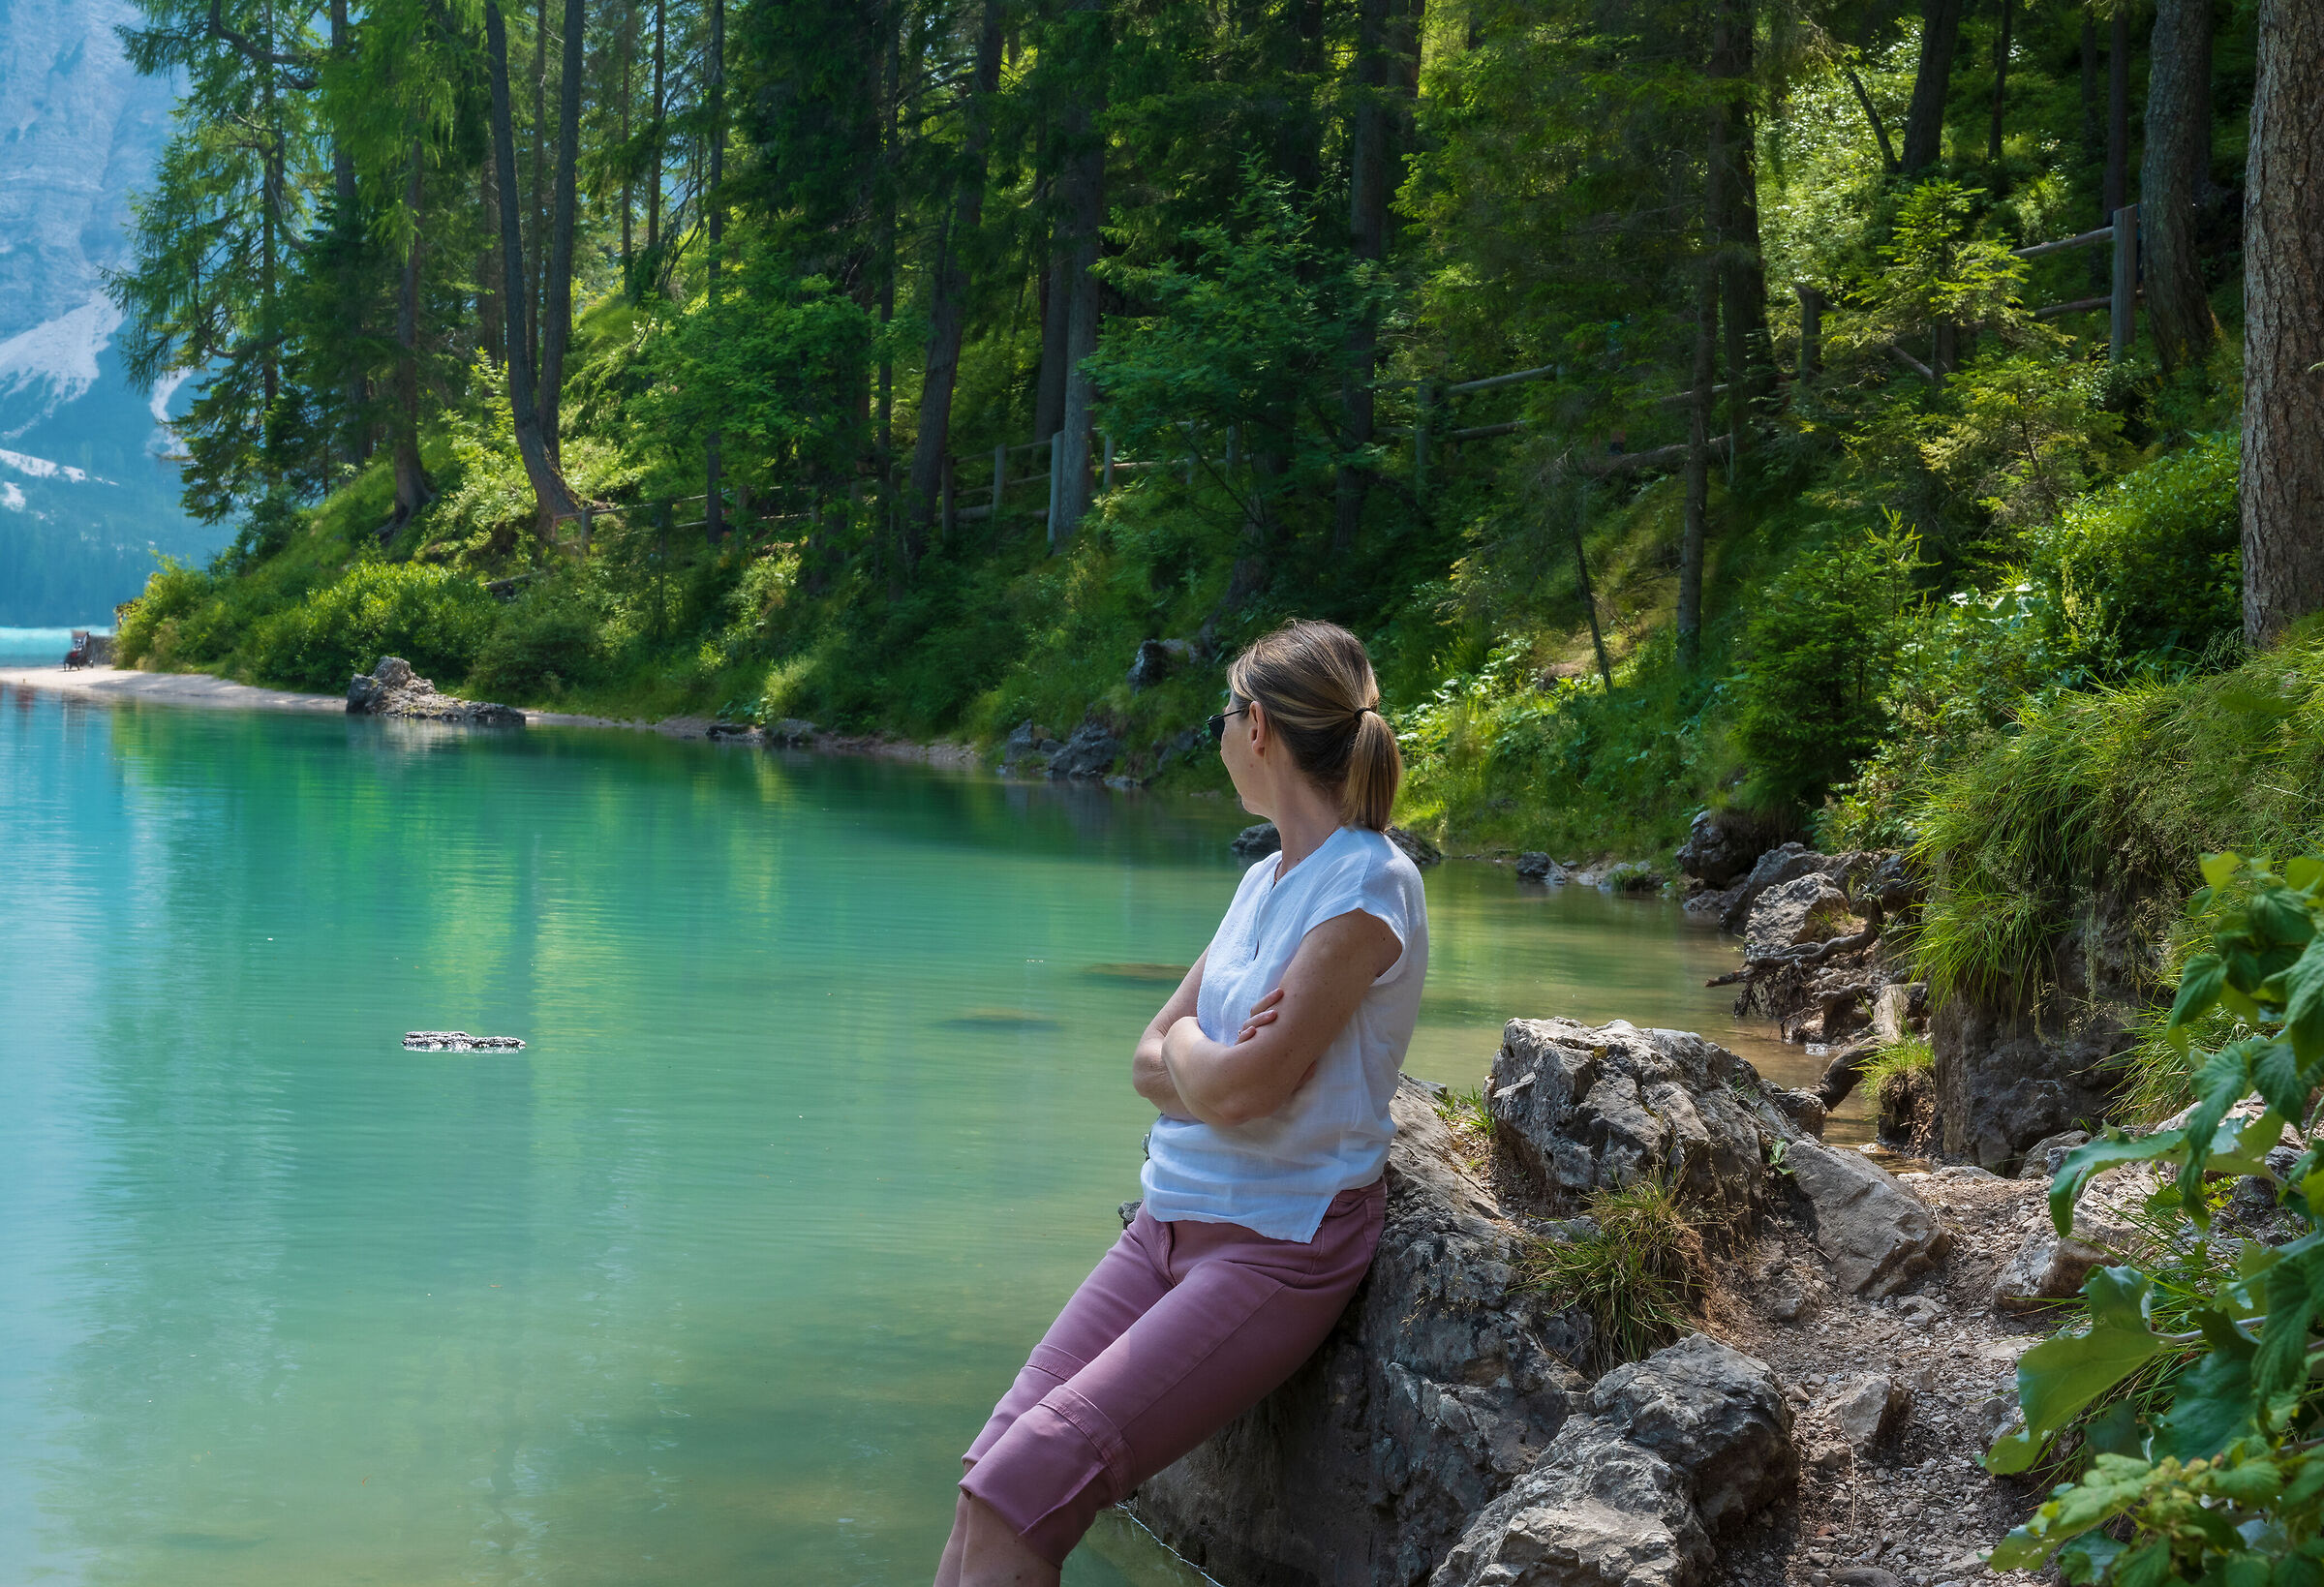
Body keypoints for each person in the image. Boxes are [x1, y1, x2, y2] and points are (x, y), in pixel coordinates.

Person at [934, 619, 1430, 1587]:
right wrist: (1212, 1055)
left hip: (1275, 1244)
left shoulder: (1369, 886)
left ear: (1258, 729)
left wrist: (1202, 1055)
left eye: (1224, 714)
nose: (1218, 733)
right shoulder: (1263, 882)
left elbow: (1244, 1086)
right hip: (1166, 1225)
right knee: (989, 1478)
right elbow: (1148, 1059)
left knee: (1020, 1491)